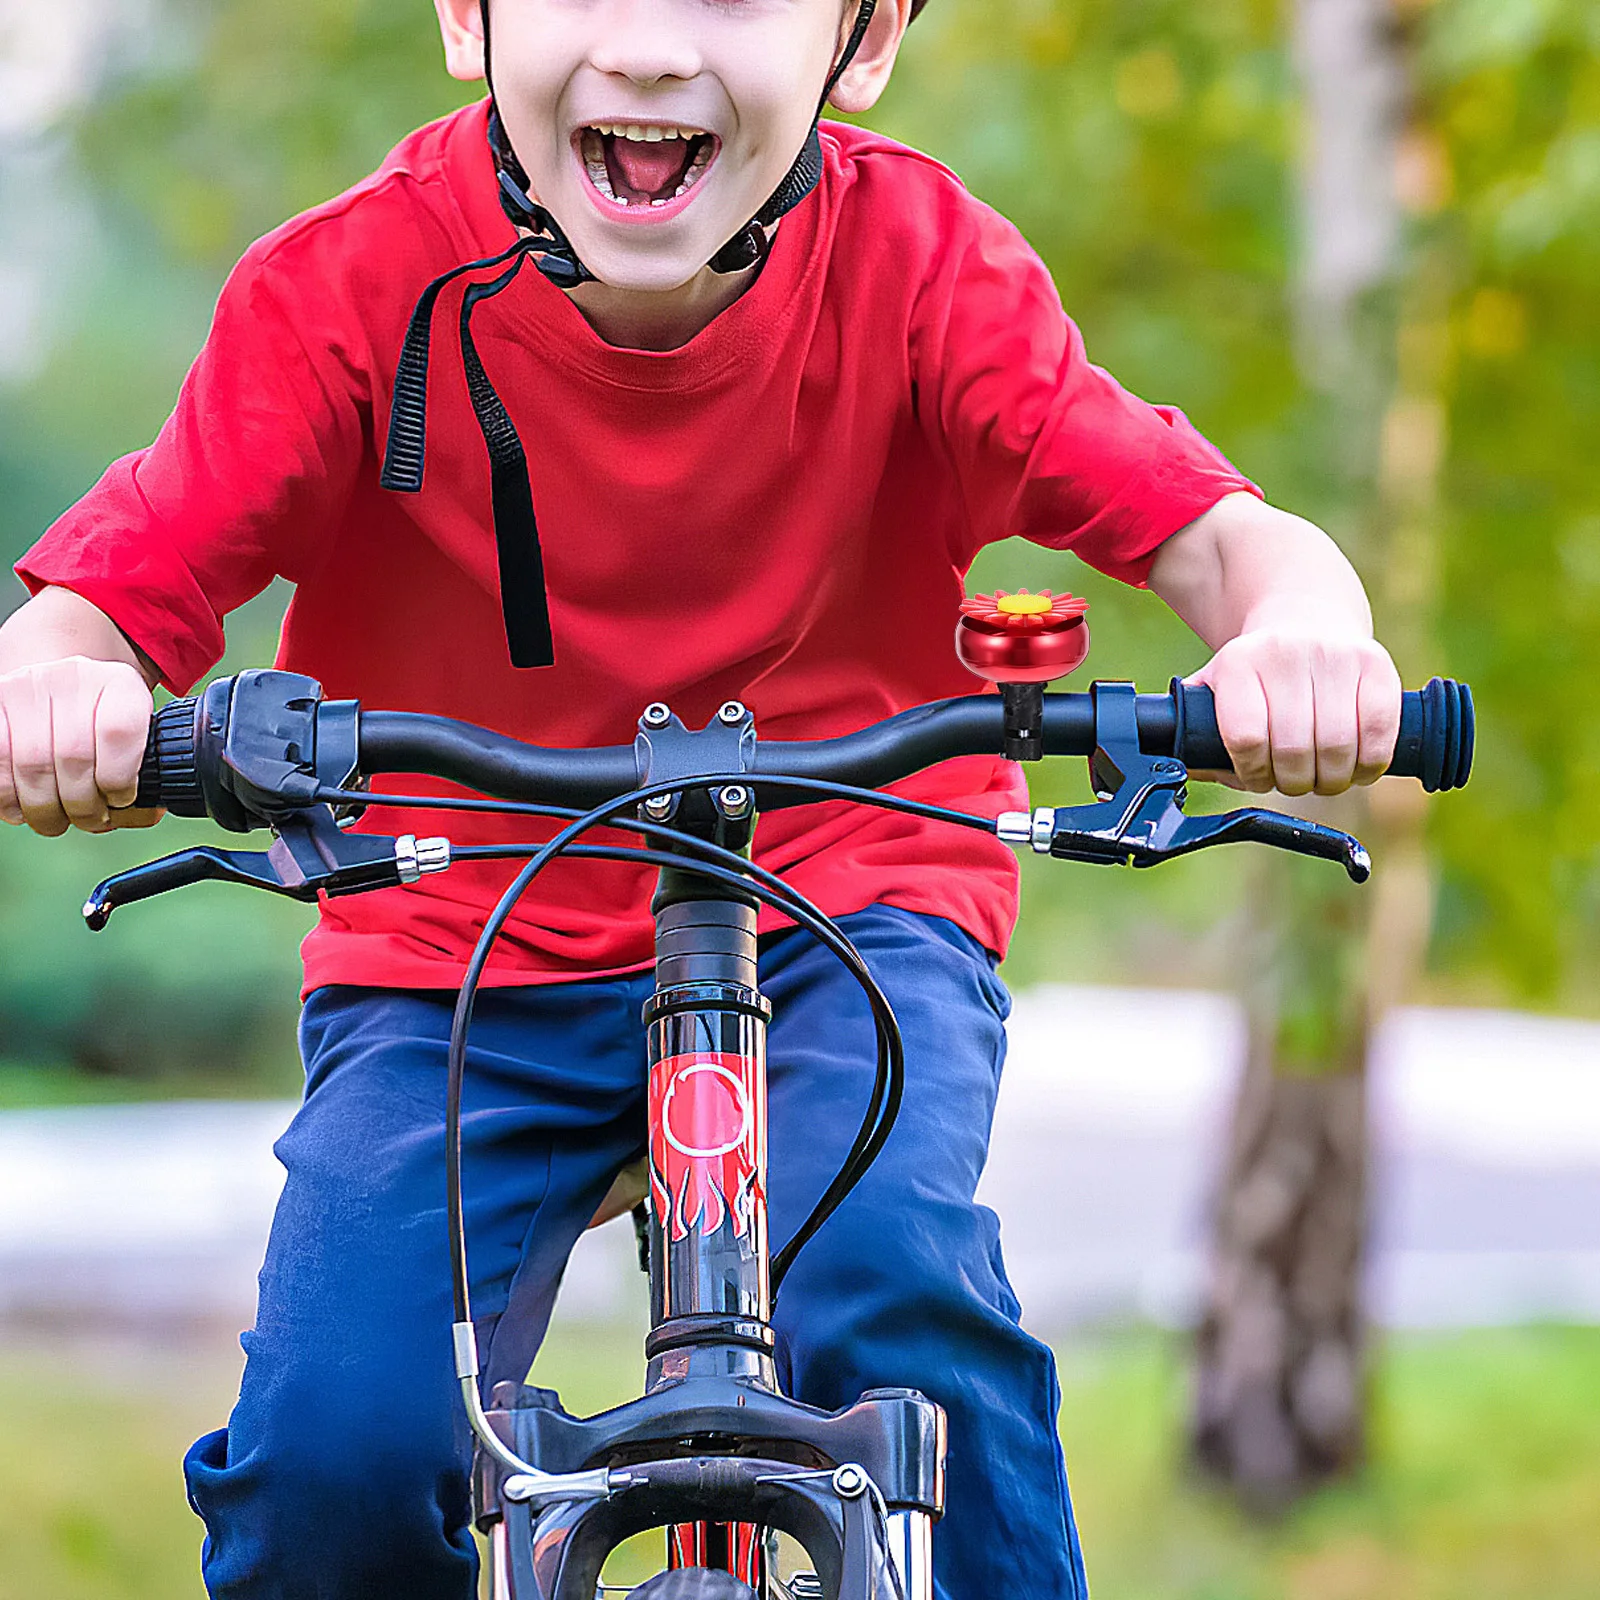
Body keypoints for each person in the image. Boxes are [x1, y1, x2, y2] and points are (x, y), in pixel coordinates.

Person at [0, 1, 1403, 1595]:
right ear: (466, 15)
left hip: (845, 897)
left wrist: (1303, 637)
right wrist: (58, 684)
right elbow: (107, 591)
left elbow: (1222, 538)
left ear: (863, 41)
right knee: (337, 1439)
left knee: (891, 1292)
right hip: (456, 926)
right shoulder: (345, 290)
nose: (652, 49)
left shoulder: (924, 266)